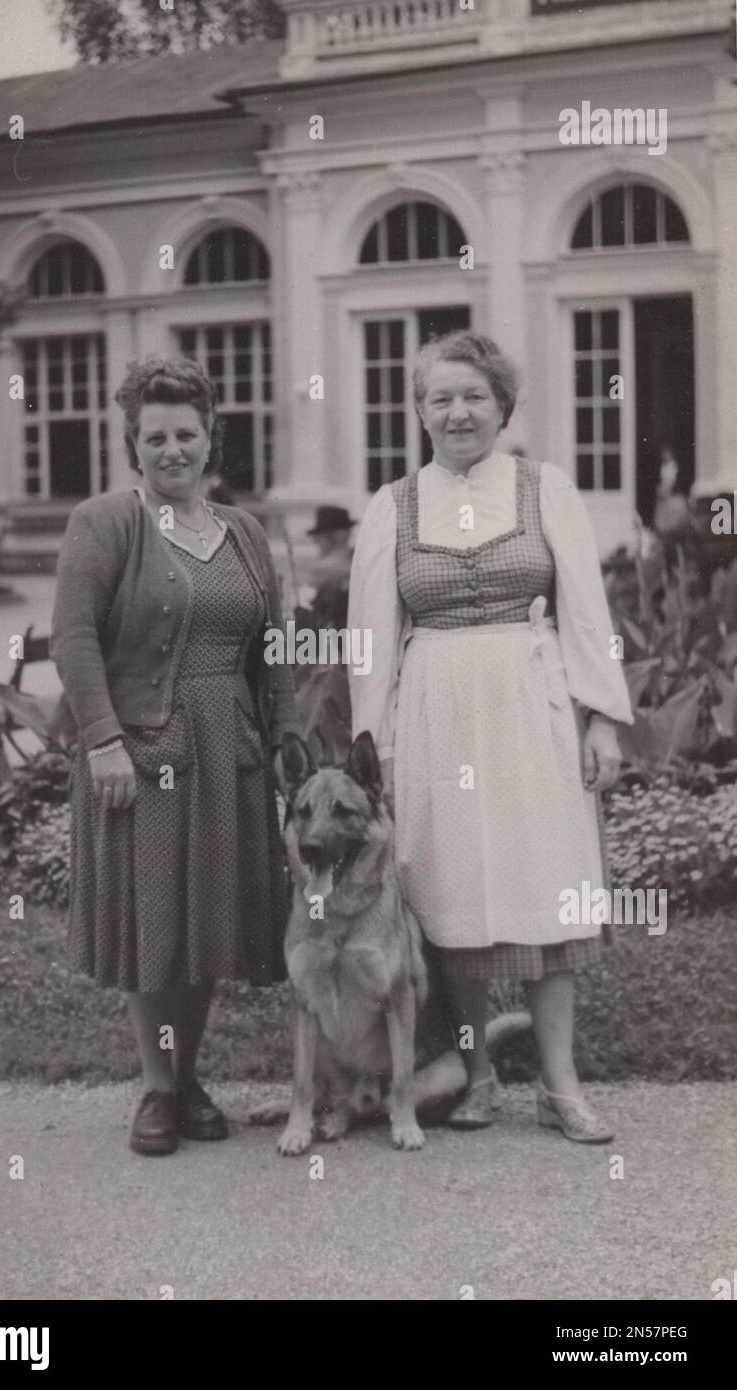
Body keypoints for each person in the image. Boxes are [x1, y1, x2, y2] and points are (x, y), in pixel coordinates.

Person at [348, 331, 633, 1143]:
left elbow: (585, 611)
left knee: (545, 881)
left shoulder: (545, 490)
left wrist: (602, 719)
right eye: (439, 398)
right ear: (420, 413)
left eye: (473, 395)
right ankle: (476, 1077)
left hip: (529, 704)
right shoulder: (392, 506)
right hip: (433, 709)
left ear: (502, 405)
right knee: (449, 892)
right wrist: (378, 756)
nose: (457, 411)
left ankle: (559, 1083)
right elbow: (370, 644)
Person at [51, 356, 298, 1156]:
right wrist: (103, 744)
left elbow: (271, 651)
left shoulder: (245, 530)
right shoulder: (106, 521)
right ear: (133, 444)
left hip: (231, 747)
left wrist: (285, 746)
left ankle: (188, 1075)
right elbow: (73, 637)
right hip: (142, 746)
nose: (171, 450)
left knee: (207, 919)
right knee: (156, 916)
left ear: (209, 437)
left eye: (185, 433)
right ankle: (157, 1091)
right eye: (153, 436)